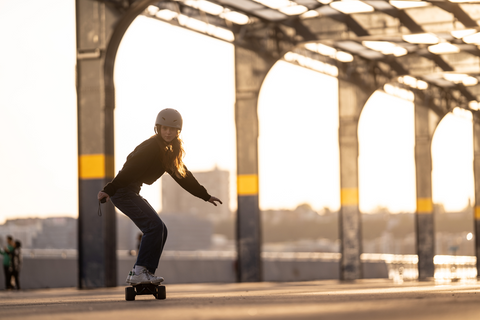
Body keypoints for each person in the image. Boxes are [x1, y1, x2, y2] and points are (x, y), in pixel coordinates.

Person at [97, 108, 222, 285]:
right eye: (164, 128)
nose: (168, 132)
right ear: (158, 129)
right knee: (153, 227)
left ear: (178, 132)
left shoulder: (169, 152)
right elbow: (129, 170)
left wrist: (205, 196)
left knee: (161, 229)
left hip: (129, 192)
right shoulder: (151, 148)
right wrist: (109, 189)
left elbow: (183, 176)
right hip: (122, 191)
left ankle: (145, 272)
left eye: (172, 129)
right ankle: (139, 271)